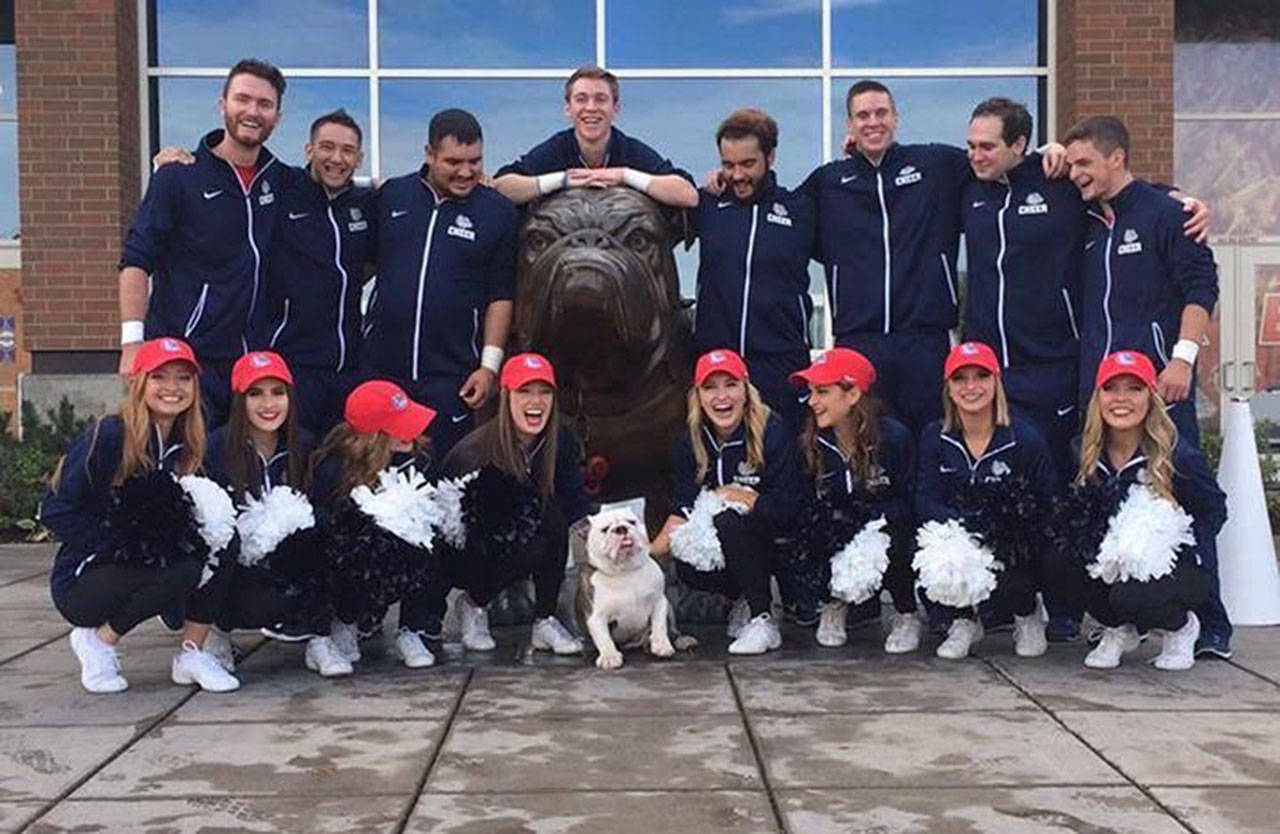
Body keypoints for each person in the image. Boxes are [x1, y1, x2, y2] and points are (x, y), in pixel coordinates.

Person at [963, 98, 1211, 643]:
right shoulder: (1086, 213)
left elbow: (1198, 279)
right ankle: (1094, 610)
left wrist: (1183, 357)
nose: (975, 154)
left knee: (1179, 490)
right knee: (1082, 495)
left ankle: (1204, 621)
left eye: (987, 145)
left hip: (1147, 380)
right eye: (971, 144)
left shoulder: (1078, 194)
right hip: (1069, 380)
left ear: (1020, 147)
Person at [801, 81, 1071, 437]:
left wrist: (1049, 151)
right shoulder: (828, 183)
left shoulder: (937, 164)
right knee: (867, 442)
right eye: (862, 116)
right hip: (859, 339)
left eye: (881, 113)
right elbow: (780, 213)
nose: (873, 122)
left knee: (935, 436)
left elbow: (999, 162)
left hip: (926, 340)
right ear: (849, 125)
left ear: (896, 118)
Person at [151, 109, 379, 435]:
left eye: (348, 151)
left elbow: (366, 263)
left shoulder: (366, 203)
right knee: (293, 465)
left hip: (349, 366)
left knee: (340, 468)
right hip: (291, 365)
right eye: (327, 147)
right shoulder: (282, 187)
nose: (337, 158)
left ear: (359, 158)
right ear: (309, 150)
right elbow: (230, 174)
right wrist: (178, 165)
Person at [41, 338, 240, 693]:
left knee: (224, 536)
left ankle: (192, 653)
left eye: (183, 378)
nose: (172, 388)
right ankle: (97, 641)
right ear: (139, 383)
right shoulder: (111, 434)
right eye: (159, 377)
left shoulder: (192, 444)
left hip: (146, 567)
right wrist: (124, 541)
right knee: (181, 567)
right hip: (84, 578)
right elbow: (54, 509)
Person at [118, 59, 291, 427]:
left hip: (251, 366)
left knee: (236, 477)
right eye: (242, 99)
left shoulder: (283, 182)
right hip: (184, 363)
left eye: (264, 104)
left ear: (277, 116)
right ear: (222, 104)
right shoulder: (179, 177)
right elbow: (136, 259)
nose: (252, 111)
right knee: (174, 472)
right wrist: (132, 343)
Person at [1047, 351, 1228, 669]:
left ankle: (1181, 627)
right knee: (1056, 561)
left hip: (1173, 569)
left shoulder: (1177, 455)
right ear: (1098, 397)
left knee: (1133, 595)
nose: (1121, 399)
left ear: (1151, 397)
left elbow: (1213, 509)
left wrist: (1181, 546)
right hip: (1114, 562)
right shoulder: (1082, 451)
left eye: (1134, 388)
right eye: (1111, 388)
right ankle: (1119, 627)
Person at [363, 109, 517, 453]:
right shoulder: (392, 197)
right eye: (453, 161)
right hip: (381, 372)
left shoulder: (498, 212)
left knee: (445, 489)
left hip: (452, 379)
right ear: (429, 154)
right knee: (372, 487)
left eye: (475, 161)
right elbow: (362, 268)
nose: (466, 172)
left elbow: (500, 296)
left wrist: (489, 368)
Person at [416, 353, 587, 656]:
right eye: (525, 391)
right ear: (506, 397)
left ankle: (544, 619)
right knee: (509, 524)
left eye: (544, 392)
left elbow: (574, 500)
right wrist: (428, 613)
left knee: (554, 520)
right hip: (465, 551)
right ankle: (474, 605)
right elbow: (442, 534)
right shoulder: (475, 453)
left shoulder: (561, 439)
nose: (536, 401)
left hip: (524, 542)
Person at [1064, 115, 1218, 448]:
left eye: (1084, 163)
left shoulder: (1168, 214)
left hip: (1159, 385)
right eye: (1070, 164)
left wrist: (1182, 359)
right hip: (1098, 393)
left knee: (1176, 484)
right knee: (1098, 489)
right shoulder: (1086, 218)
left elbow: (1202, 287)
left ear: (1117, 158)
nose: (1074, 173)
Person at [203, 351, 354, 678]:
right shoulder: (215, 448)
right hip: (239, 566)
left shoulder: (306, 445)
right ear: (239, 401)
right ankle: (216, 634)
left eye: (278, 392)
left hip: (290, 564)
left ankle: (318, 637)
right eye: (255, 393)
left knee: (328, 535)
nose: (268, 404)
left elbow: (326, 511)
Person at [651, 349, 802, 655]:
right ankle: (742, 599)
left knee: (729, 521)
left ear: (746, 389)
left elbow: (790, 509)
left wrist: (744, 497)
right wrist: (645, 556)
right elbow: (683, 510)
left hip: (778, 539)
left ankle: (764, 619)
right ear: (698, 396)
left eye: (730, 384)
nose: (722, 396)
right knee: (687, 560)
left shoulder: (773, 431)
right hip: (727, 545)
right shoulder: (688, 442)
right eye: (710, 387)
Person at [914, 342, 1057, 659]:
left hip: (1009, 541)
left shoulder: (1025, 437)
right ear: (948, 388)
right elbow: (925, 496)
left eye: (981, 376)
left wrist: (1003, 528)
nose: (971, 387)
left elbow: (1047, 499)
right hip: (956, 532)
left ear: (996, 382)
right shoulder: (934, 436)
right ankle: (963, 620)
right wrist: (962, 529)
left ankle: (1026, 612)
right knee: (929, 558)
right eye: (960, 379)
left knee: (1017, 561)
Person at [791, 348, 920, 652]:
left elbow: (910, 500)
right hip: (836, 531)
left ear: (852, 395)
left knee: (896, 537)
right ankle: (833, 603)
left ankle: (906, 613)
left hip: (885, 530)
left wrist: (870, 522)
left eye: (822, 392)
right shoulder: (810, 442)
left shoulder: (894, 437)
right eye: (811, 392)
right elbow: (803, 504)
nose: (812, 402)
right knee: (815, 531)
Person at [695, 108, 816, 429]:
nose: (737, 175)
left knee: (785, 462)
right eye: (728, 165)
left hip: (781, 363)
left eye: (748, 164)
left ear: (770, 156)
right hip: (718, 366)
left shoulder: (800, 209)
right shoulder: (707, 205)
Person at [308, 380, 439, 669]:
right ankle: (344, 622)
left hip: (402, 560)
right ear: (373, 435)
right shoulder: (334, 469)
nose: (413, 432)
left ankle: (411, 629)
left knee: (428, 538)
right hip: (350, 566)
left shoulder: (419, 459)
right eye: (399, 424)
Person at [493, 65, 697, 208]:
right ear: (568, 108)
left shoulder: (629, 150)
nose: (591, 108)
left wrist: (625, 176)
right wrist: (562, 180)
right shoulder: (557, 148)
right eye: (581, 99)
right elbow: (501, 189)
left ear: (615, 108)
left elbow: (688, 195)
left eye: (601, 99)